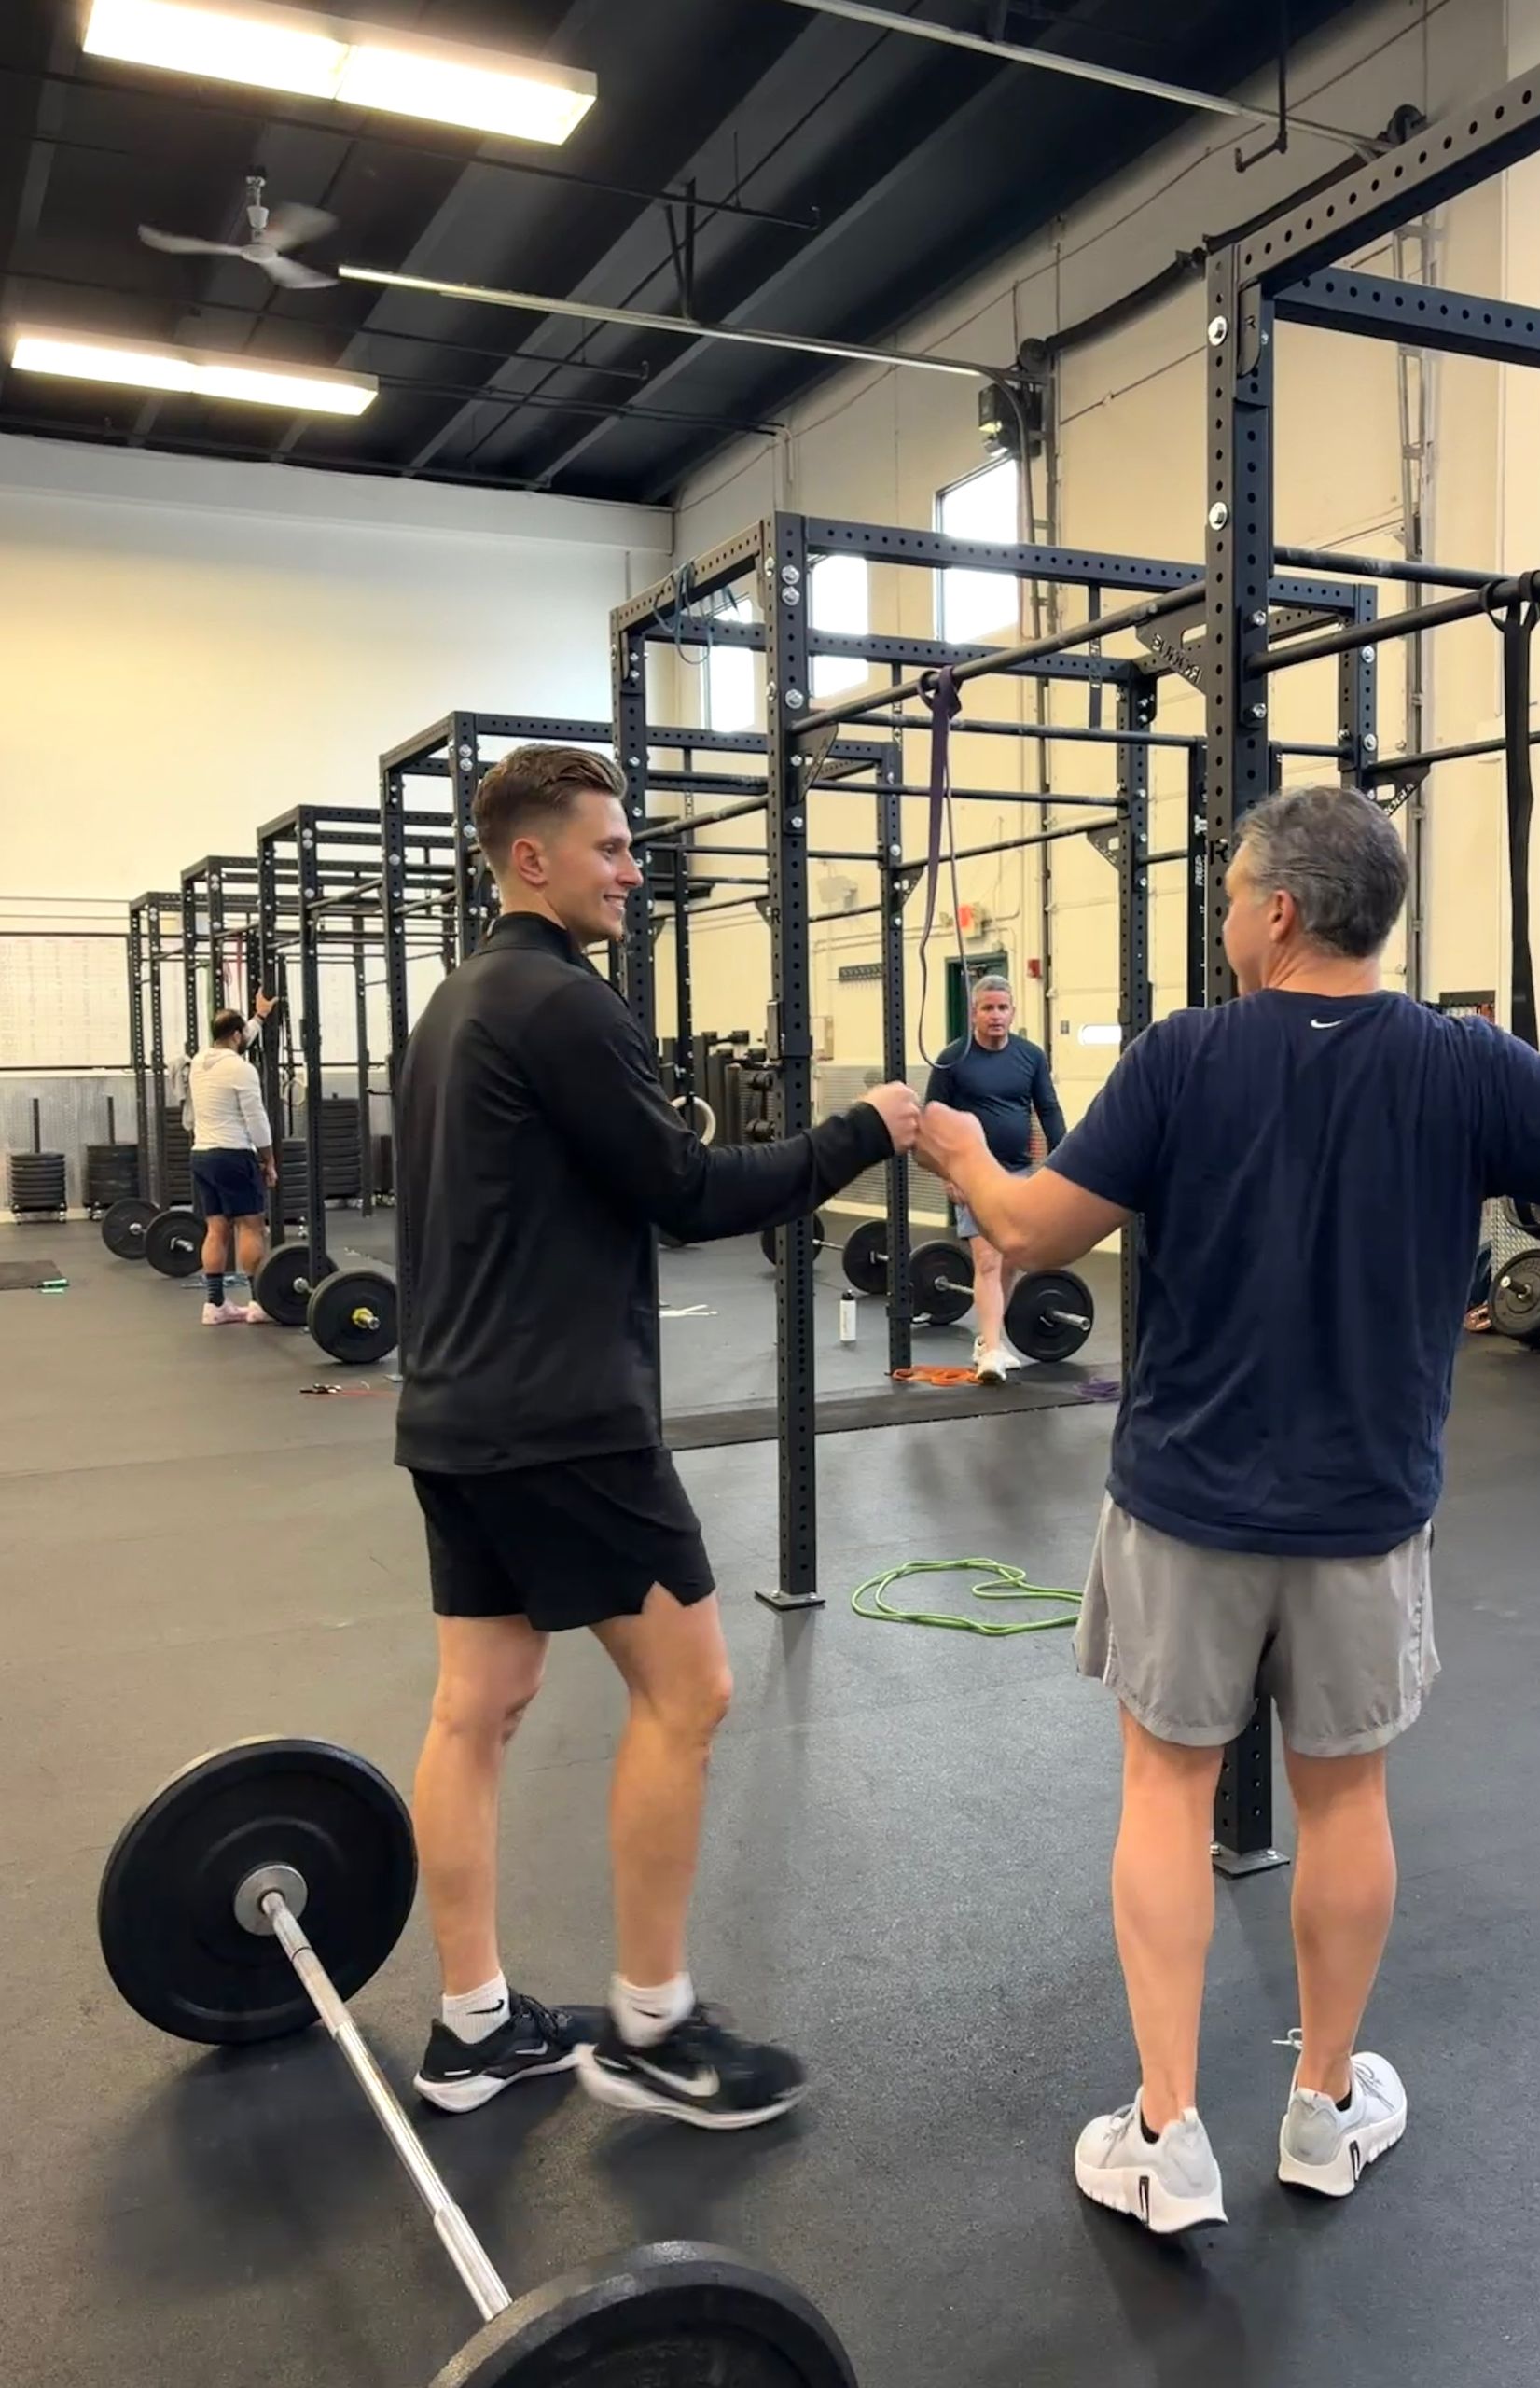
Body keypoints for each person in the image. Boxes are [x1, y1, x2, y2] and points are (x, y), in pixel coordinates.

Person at [918, 783, 1540, 2233]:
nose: (1219, 927)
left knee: (1165, 1794)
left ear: (1275, 911)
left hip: (1186, 1507)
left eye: (1225, 901)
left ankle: (1167, 2131)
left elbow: (1031, 1231)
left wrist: (956, 1152)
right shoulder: (1465, 1064)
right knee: (1346, 1802)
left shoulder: (1184, 1056)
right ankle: (1322, 2109)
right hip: (1364, 1519)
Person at [395, 743, 922, 2124]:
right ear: (530, 860)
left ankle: (474, 2027)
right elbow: (689, 1192)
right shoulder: (562, 1004)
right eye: (613, 849)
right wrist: (862, 1129)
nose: (635, 870)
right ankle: (651, 2027)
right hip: (563, 1421)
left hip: (454, 1414)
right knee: (690, 1695)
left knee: (478, 1708)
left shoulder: (454, 1006)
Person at [923, 974, 1065, 1382]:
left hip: (1018, 1171)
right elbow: (932, 1122)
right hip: (971, 1174)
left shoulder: (1030, 1056)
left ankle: (990, 1338)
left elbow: (1049, 1110)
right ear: (973, 1014)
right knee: (987, 1259)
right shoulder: (952, 1059)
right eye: (987, 1008)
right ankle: (991, 1353)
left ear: (1013, 1011)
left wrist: (1067, 1160)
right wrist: (947, 1173)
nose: (996, 1016)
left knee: (1009, 1257)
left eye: (1002, 1008)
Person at [186, 993, 279, 1326]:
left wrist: (259, 1017)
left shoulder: (198, 1062)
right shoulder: (242, 1069)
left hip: (202, 1156)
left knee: (216, 1229)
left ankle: (214, 1305)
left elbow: (239, 1040)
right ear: (236, 1036)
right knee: (252, 1227)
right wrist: (268, 1160)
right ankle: (259, 1304)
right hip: (233, 1155)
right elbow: (257, 1119)